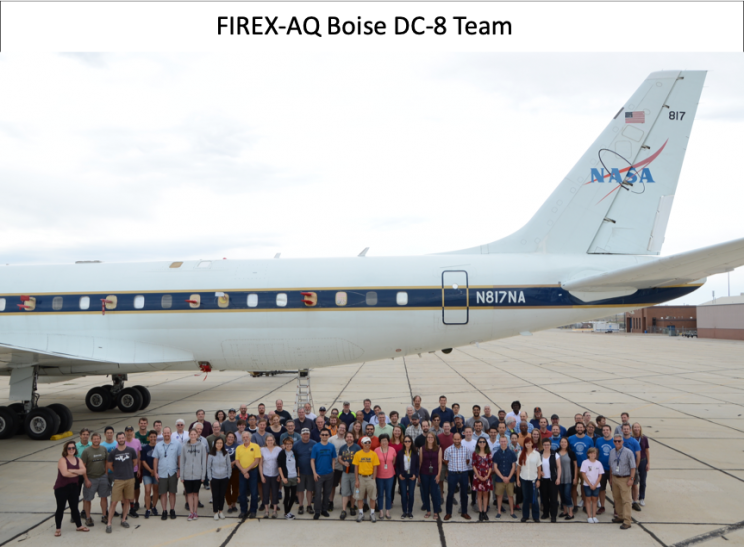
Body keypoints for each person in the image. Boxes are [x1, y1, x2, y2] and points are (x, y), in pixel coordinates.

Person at [54, 441, 89, 536]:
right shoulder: (62, 460)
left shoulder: (78, 460)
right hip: (61, 488)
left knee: (74, 507)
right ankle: (58, 528)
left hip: (74, 487)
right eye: (69, 448)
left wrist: (73, 470)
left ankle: (79, 526)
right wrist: (78, 472)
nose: (71, 450)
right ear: (66, 449)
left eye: (73, 448)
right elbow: (65, 474)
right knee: (60, 508)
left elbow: (84, 470)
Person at [106, 432, 138, 533]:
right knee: (114, 502)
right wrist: (117, 471)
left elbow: (135, 462)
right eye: (119, 438)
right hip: (118, 480)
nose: (121, 439)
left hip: (129, 478)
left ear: (125, 438)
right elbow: (110, 465)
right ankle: (109, 523)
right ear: (117, 439)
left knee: (127, 500)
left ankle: (123, 519)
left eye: (122, 437)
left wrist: (127, 469)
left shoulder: (131, 450)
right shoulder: (113, 453)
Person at [81, 432, 111, 527]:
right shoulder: (86, 451)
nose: (96, 440)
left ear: (100, 440)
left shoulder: (103, 449)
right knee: (87, 498)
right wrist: (86, 479)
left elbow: (106, 461)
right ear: (91, 440)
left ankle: (104, 516)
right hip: (91, 478)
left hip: (102, 477)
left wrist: (106, 474)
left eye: (98, 439)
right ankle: (88, 518)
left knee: (104, 497)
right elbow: (83, 467)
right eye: (94, 439)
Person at [153, 426, 181, 521]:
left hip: (173, 471)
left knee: (172, 492)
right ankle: (164, 511)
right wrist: (155, 472)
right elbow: (155, 459)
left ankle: (172, 510)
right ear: (162, 434)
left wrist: (179, 470)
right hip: (162, 472)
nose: (166, 434)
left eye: (168, 432)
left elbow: (179, 457)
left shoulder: (177, 444)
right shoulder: (158, 445)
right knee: (163, 493)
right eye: (164, 433)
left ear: (171, 433)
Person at [609, 434, 636, 529]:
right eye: (615, 441)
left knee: (626, 500)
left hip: (625, 478)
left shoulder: (628, 452)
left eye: (619, 441)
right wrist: (611, 478)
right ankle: (620, 516)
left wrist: (631, 479)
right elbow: (611, 466)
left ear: (622, 442)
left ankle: (627, 521)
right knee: (617, 498)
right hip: (615, 477)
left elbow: (633, 467)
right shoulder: (612, 452)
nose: (617, 443)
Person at [443, 432, 471, 521]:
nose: (457, 441)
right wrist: (453, 467)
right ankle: (448, 513)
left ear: (461, 439)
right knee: (450, 494)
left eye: (458, 439)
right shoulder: (448, 450)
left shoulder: (466, 449)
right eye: (455, 439)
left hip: (463, 473)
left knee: (464, 494)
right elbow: (446, 461)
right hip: (452, 474)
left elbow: (467, 460)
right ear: (453, 439)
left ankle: (464, 512)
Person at [180, 428, 207, 521]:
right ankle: (191, 512)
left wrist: (203, 475)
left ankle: (195, 511)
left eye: (194, 434)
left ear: (197, 435)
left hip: (197, 474)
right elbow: (182, 462)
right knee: (189, 494)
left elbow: (204, 461)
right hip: (187, 475)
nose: (193, 436)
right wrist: (182, 475)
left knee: (196, 494)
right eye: (191, 434)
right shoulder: (184, 446)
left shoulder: (202, 446)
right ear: (189, 435)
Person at [311, 428, 337, 519]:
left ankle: (324, 510)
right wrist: (314, 473)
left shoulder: (331, 446)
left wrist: (333, 469)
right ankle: (317, 511)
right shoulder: (316, 446)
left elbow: (334, 459)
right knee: (318, 494)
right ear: (320, 435)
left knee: (327, 493)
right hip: (318, 474)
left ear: (329, 436)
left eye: (326, 434)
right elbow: (312, 460)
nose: (324, 436)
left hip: (329, 474)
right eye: (323, 434)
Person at [353, 437, 380, 522]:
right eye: (365, 443)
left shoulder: (373, 454)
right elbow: (356, 468)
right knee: (360, 497)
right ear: (362, 444)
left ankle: (372, 513)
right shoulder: (358, 454)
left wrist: (374, 478)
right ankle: (361, 513)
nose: (367, 444)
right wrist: (356, 480)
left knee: (372, 497)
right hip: (361, 478)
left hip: (370, 477)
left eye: (369, 442)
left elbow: (375, 467)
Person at [236, 431, 261, 519]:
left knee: (254, 493)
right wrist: (244, 471)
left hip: (253, 472)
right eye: (244, 437)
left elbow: (257, 460)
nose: (245, 438)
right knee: (242, 493)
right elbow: (237, 461)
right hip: (242, 472)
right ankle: (243, 511)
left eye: (247, 437)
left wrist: (246, 470)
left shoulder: (255, 446)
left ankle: (253, 511)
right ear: (242, 438)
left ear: (250, 438)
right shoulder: (238, 448)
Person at [568, 422, 593, 510]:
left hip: (585, 467)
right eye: (578, 427)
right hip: (574, 467)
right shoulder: (570, 439)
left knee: (584, 487)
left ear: (584, 428)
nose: (579, 429)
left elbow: (592, 453)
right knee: (573, 486)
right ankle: (574, 505)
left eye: (581, 427)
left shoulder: (589, 439)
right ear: (575, 428)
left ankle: (585, 505)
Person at [492, 434, 518, 519]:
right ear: (499, 442)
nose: (503, 443)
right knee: (499, 495)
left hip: (510, 479)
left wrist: (509, 477)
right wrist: (503, 477)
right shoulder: (496, 454)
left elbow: (513, 467)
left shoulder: (512, 453)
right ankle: (499, 511)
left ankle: (512, 512)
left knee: (510, 496)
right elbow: (495, 467)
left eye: (504, 441)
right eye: (501, 441)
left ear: (507, 442)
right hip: (499, 478)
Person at [337, 431, 361, 519]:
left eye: (351, 437)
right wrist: (344, 463)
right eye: (348, 437)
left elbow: (360, 459)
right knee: (345, 492)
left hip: (354, 473)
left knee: (354, 491)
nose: (349, 438)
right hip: (345, 473)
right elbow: (339, 458)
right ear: (345, 438)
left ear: (353, 438)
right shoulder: (342, 447)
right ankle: (343, 510)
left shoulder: (357, 447)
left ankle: (352, 507)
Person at [517, 437, 540, 522]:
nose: (528, 444)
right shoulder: (520, 453)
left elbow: (539, 467)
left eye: (530, 443)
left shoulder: (536, 454)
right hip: (524, 478)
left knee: (534, 498)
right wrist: (518, 480)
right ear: (524, 444)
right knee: (526, 498)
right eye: (527, 443)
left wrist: (539, 480)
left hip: (534, 479)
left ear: (532, 444)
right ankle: (525, 516)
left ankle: (536, 516)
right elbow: (518, 468)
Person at [372, 433, 396, 519]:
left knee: (389, 494)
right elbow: (375, 463)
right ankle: (381, 511)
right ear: (380, 441)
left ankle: (388, 511)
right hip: (379, 476)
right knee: (380, 494)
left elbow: (393, 462)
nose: (384, 442)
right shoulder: (376, 450)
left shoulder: (392, 449)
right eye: (382, 440)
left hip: (390, 476)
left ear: (388, 441)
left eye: (386, 440)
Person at [394, 435, 418, 519]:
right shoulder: (400, 453)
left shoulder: (415, 453)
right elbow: (397, 465)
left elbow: (417, 465)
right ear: (403, 443)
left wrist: (415, 474)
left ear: (411, 442)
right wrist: (399, 474)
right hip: (403, 476)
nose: (407, 443)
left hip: (412, 476)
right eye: (405, 441)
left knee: (411, 494)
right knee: (403, 494)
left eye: (409, 441)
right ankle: (404, 511)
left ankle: (410, 511)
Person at [419, 432, 442, 519]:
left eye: (432, 437)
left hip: (434, 474)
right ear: (426, 439)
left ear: (434, 439)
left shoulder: (439, 449)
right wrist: (419, 475)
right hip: (424, 473)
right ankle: (428, 511)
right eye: (428, 437)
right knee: (425, 493)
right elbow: (420, 462)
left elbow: (440, 463)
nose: (430, 439)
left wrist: (439, 474)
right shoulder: (422, 448)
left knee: (434, 493)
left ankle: (435, 511)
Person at [207, 437, 231, 519]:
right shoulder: (211, 454)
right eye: (218, 443)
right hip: (214, 478)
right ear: (215, 444)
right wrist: (210, 477)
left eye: (221, 443)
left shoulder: (226, 453)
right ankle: (215, 512)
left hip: (224, 477)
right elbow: (209, 467)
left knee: (222, 495)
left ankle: (221, 511)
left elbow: (228, 465)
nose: (219, 444)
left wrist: (228, 475)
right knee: (215, 495)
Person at [259, 434, 281, 518]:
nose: (270, 442)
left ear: (274, 440)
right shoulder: (262, 450)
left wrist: (279, 475)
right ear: (266, 441)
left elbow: (280, 463)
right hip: (266, 474)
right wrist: (262, 476)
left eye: (271, 440)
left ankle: (274, 510)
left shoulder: (278, 449)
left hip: (275, 474)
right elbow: (260, 464)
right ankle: (266, 511)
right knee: (265, 493)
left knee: (275, 492)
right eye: (268, 440)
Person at [621, 423, 642, 511]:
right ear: (622, 430)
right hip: (622, 466)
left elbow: (638, 455)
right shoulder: (619, 440)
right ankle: (622, 501)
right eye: (624, 429)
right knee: (622, 484)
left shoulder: (634, 442)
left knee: (634, 484)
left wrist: (636, 466)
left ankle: (635, 501)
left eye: (627, 429)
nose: (626, 430)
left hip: (632, 466)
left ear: (630, 430)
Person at [295, 428, 316, 515]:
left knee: (310, 490)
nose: (306, 435)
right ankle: (300, 505)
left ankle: (309, 505)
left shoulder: (314, 444)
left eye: (307, 433)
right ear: (301, 435)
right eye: (304, 434)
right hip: (300, 472)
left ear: (309, 434)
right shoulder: (296, 445)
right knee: (300, 490)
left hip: (311, 471)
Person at [471, 436, 493, 521]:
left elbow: (490, 465)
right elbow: (473, 465)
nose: (482, 443)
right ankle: (480, 512)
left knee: (486, 495)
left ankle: (485, 512)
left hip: (487, 476)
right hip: (478, 477)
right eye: (480, 442)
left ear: (486, 443)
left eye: (483, 442)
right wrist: (479, 476)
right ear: (478, 443)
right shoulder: (475, 453)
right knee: (479, 495)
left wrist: (487, 476)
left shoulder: (489, 453)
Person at [277, 437, 299, 519]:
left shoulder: (294, 452)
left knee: (293, 496)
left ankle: (288, 511)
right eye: (287, 444)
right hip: (286, 477)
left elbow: (297, 465)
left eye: (290, 444)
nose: (289, 445)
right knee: (287, 496)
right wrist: (283, 477)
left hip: (294, 476)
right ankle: (286, 513)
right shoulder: (282, 453)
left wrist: (298, 476)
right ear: (284, 445)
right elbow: (279, 467)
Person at [595, 424, 614, 515]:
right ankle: (602, 506)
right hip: (601, 469)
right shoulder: (599, 440)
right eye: (604, 430)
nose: (605, 431)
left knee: (614, 489)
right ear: (602, 432)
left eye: (607, 430)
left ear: (610, 431)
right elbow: (597, 453)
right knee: (601, 489)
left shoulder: (615, 441)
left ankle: (616, 508)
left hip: (612, 470)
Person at [539, 438, 560, 522]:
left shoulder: (555, 454)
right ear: (543, 445)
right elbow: (537, 466)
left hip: (553, 480)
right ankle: (545, 513)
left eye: (548, 445)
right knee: (544, 497)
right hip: (543, 480)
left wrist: (558, 478)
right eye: (545, 445)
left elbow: (559, 467)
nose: (546, 446)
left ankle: (553, 515)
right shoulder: (539, 454)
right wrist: (539, 472)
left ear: (550, 445)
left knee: (553, 498)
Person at [140, 430, 160, 518]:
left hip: (157, 473)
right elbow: (143, 461)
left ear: (156, 437)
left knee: (156, 490)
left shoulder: (159, 447)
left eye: (154, 437)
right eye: (151, 437)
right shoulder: (144, 448)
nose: (152, 438)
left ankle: (154, 507)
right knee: (147, 491)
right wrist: (151, 470)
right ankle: (148, 509)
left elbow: (161, 460)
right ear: (148, 438)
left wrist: (155, 471)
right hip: (147, 473)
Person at [123, 426, 142, 518]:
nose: (129, 433)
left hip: (134, 470)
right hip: (125, 470)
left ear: (133, 432)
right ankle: (125, 509)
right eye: (127, 431)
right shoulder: (122, 442)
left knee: (135, 488)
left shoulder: (137, 441)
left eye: (131, 431)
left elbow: (138, 457)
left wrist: (138, 469)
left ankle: (134, 504)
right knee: (125, 490)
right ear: (125, 432)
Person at [580, 447, 603, 523]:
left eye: (594, 453)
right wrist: (590, 484)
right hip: (587, 485)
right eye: (591, 453)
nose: (593, 455)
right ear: (588, 454)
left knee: (595, 500)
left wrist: (595, 484)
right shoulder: (585, 462)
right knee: (588, 499)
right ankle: (589, 516)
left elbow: (600, 475)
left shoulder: (598, 463)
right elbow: (583, 474)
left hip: (596, 485)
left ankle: (594, 516)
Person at [557, 437, 576, 520]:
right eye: (562, 442)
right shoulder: (556, 452)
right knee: (562, 495)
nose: (563, 443)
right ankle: (565, 511)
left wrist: (575, 477)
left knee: (567, 494)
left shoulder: (571, 453)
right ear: (560, 443)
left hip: (569, 477)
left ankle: (571, 513)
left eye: (565, 442)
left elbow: (575, 465)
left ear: (567, 443)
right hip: (560, 477)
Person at [74, 428, 91, 520]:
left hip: (88, 473)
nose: (85, 436)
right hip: (78, 474)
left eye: (87, 434)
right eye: (83, 434)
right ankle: (74, 512)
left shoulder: (92, 445)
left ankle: (84, 511)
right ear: (80, 435)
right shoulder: (75, 446)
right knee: (76, 494)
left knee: (86, 493)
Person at [632, 422, 650, 507]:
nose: (636, 429)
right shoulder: (631, 438)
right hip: (633, 461)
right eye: (635, 427)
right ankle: (633, 497)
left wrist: (648, 463)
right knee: (633, 480)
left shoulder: (644, 438)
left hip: (642, 461)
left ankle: (641, 497)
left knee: (642, 481)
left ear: (640, 428)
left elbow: (647, 451)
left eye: (638, 427)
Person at [222, 431, 239, 513]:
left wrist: (233, 462)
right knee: (227, 489)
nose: (230, 438)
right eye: (229, 437)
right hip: (224, 471)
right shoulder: (222, 446)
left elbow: (240, 457)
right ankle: (229, 505)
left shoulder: (237, 446)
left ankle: (234, 504)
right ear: (226, 438)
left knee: (235, 489)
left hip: (235, 470)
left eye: (232, 437)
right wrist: (228, 464)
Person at [437, 422, 454, 499]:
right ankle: (441, 496)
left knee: (452, 481)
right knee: (441, 480)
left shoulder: (454, 436)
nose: (446, 428)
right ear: (442, 427)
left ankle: (451, 496)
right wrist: (442, 460)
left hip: (452, 463)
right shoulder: (439, 437)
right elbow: (437, 450)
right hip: (442, 462)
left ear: (450, 427)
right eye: (445, 426)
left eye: (448, 426)